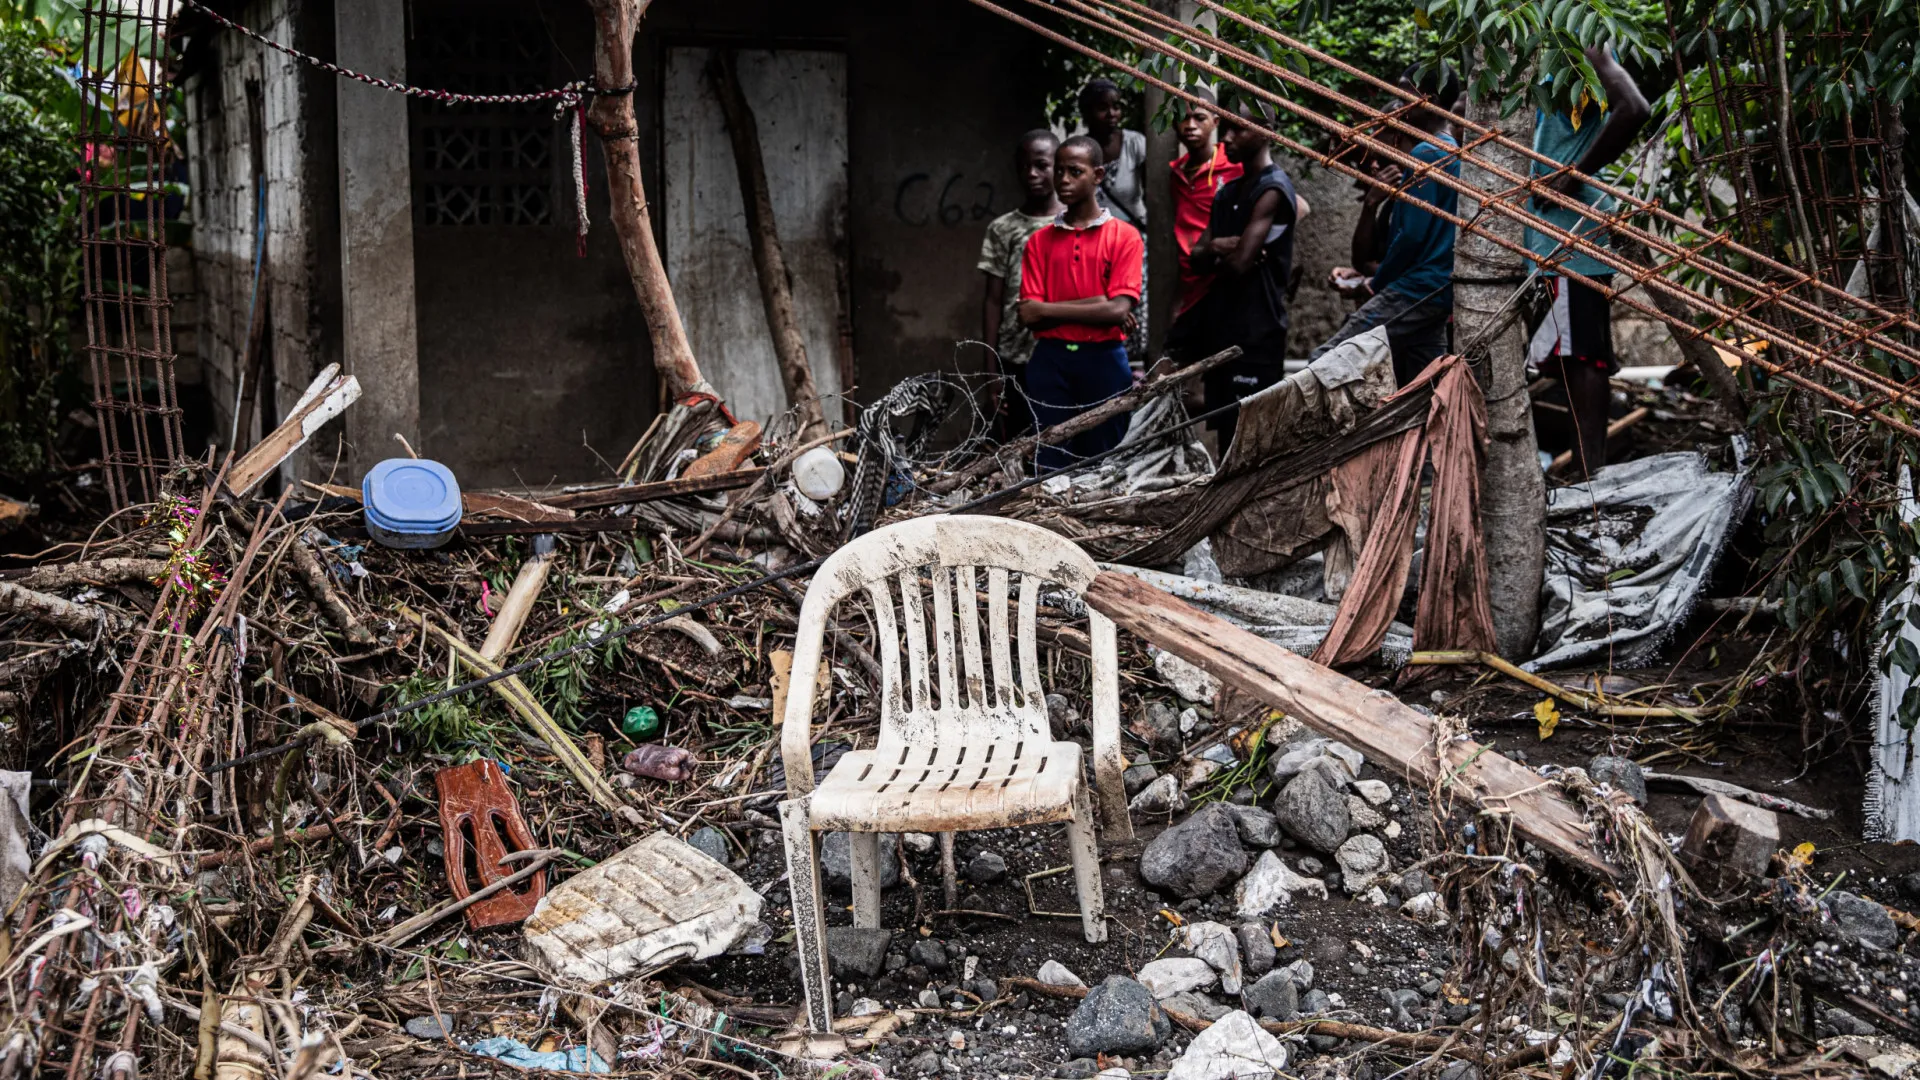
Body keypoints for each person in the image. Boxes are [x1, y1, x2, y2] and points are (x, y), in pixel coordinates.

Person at [1525, 45, 1649, 479]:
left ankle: (1588, 474)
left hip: (1570, 236)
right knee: (1567, 356)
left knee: (1582, 358)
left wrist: (1572, 174)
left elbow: (1634, 107)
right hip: (1549, 238)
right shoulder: (1535, 54)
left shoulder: (1582, 44)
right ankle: (1585, 471)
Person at [1313, 63, 1463, 388]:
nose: (1396, 103)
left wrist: (1377, 283)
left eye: (1403, 95)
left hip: (1415, 287)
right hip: (1438, 292)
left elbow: (1411, 236)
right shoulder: (1452, 152)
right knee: (1423, 387)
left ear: (1428, 100)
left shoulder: (1425, 154)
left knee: (1324, 361)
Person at [1177, 97, 1300, 452]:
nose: (1227, 137)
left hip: (1257, 332)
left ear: (1266, 132)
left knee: (1254, 437)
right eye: (1226, 128)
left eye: (1238, 129)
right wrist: (1218, 247)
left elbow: (1239, 264)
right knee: (1226, 433)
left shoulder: (1273, 189)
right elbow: (1196, 258)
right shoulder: (1229, 191)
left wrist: (1218, 253)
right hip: (1222, 329)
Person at [1017, 135, 1144, 473]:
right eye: (1059, 171)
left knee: (1106, 461)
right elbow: (1029, 315)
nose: (1063, 180)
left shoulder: (1124, 236)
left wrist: (1049, 308)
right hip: (1051, 361)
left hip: (1103, 360)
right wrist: (1099, 304)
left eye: (1075, 172)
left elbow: (1117, 311)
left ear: (1097, 175)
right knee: (1050, 463)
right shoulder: (1039, 242)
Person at [978, 129, 1065, 438]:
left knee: (1063, 438)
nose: (1032, 174)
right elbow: (993, 301)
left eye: (1041, 165)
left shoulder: (1077, 223)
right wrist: (991, 372)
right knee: (1020, 441)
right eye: (1024, 166)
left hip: (1064, 354)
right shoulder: (1003, 228)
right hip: (1015, 356)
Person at [1080, 78, 1150, 366]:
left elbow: (1155, 194)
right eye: (1102, 108)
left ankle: (1135, 374)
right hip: (1095, 248)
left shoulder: (1135, 144)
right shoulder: (1080, 151)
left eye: (1116, 107)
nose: (1112, 114)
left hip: (1133, 246)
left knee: (1135, 312)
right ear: (1086, 113)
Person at [1168, 89, 1243, 320]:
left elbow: (1294, 206)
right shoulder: (1176, 173)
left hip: (1223, 280)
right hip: (1189, 282)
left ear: (1215, 122)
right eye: (1183, 118)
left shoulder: (1233, 166)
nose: (1190, 125)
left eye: (1199, 118)